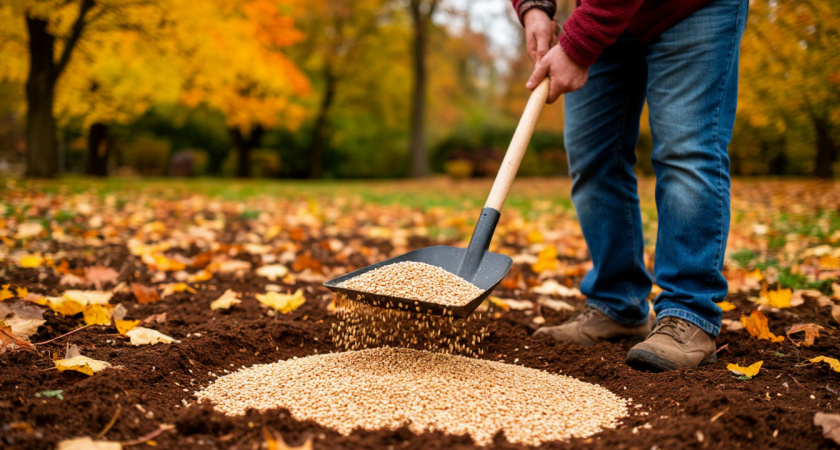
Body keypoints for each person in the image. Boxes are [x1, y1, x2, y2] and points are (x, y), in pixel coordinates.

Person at [510, 0, 748, 371]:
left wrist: (579, 44)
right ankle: (617, 305)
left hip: (693, 9)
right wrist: (534, 8)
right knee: (593, 157)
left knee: (685, 150)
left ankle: (690, 313)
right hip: (603, 11)